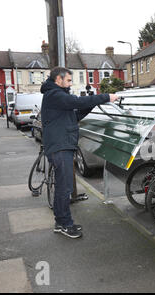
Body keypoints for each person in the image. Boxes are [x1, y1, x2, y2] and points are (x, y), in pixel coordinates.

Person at [41, 67, 119, 239]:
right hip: (60, 147)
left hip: (63, 145)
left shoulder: (58, 97)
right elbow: (76, 102)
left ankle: (61, 222)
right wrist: (106, 97)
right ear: (58, 80)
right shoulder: (54, 95)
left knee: (64, 186)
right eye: (68, 80)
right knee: (65, 187)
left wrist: (93, 104)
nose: (70, 83)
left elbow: (74, 115)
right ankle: (64, 224)